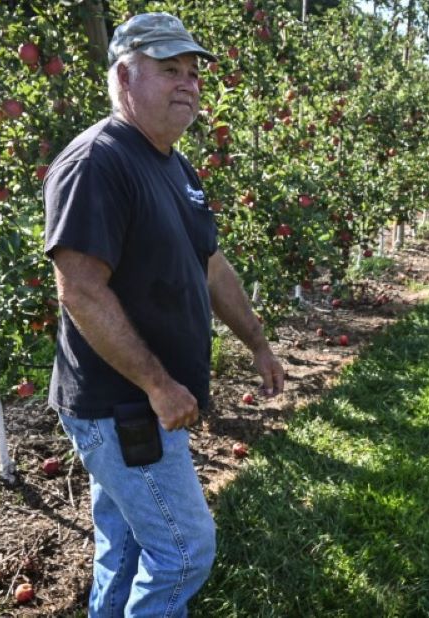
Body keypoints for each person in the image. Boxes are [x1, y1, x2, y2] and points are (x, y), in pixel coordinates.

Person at [42, 12, 285, 616]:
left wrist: (256, 342)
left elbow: (211, 267)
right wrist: (157, 383)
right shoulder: (97, 162)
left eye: (194, 73)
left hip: (145, 401)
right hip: (124, 405)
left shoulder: (173, 164)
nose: (189, 84)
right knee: (184, 551)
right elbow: (80, 289)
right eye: (170, 70)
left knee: (124, 546)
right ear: (125, 75)